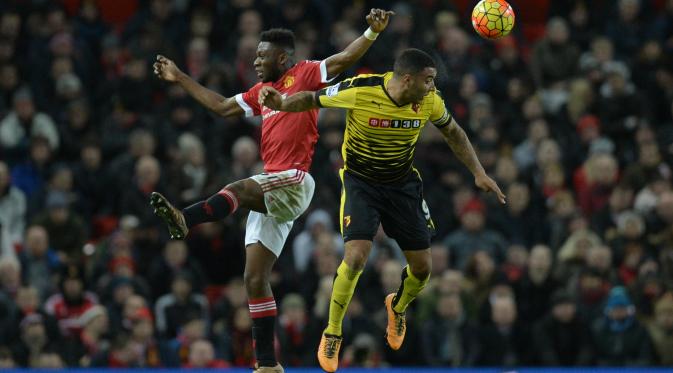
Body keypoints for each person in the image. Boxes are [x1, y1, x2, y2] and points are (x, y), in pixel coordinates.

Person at [150, 9, 394, 373]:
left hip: (294, 179)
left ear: (282, 58)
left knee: (239, 188)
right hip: (273, 191)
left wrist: (372, 32)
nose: (255, 60)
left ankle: (186, 218)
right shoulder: (261, 92)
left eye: (262, 55)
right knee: (254, 278)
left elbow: (343, 58)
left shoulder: (306, 73)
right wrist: (179, 76)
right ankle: (267, 364)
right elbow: (220, 107)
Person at [259, 48, 505, 372]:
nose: (433, 87)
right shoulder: (361, 89)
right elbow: (312, 99)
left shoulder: (430, 101)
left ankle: (398, 307)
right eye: (428, 80)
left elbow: (454, 132)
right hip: (361, 182)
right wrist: (282, 104)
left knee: (422, 270)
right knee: (357, 255)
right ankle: (333, 331)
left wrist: (478, 172)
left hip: (402, 185)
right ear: (407, 79)